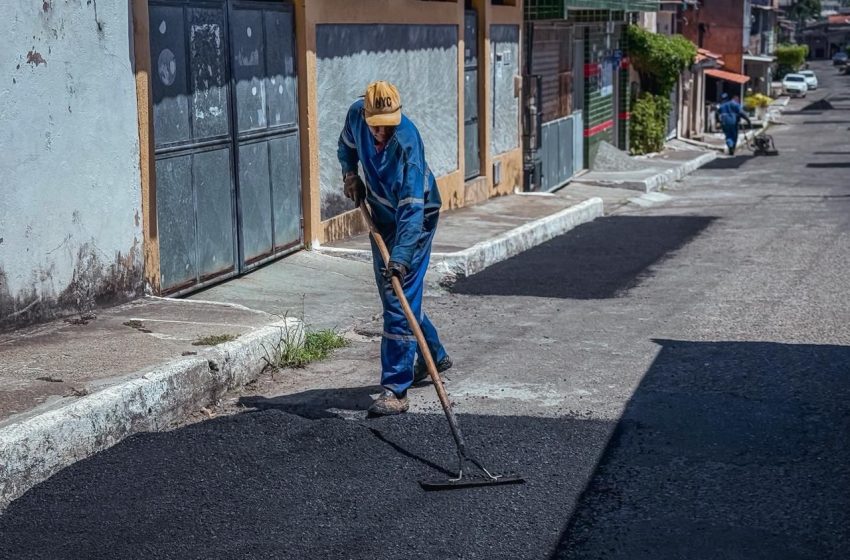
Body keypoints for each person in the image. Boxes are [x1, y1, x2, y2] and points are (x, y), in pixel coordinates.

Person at [337, 80, 452, 416]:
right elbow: (346, 148)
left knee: (396, 294)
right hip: (383, 215)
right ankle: (435, 354)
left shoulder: (407, 146)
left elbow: (413, 214)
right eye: (378, 127)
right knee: (399, 296)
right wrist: (350, 175)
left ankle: (396, 390)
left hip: (416, 220)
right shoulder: (357, 115)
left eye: (390, 126)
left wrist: (400, 258)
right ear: (367, 114)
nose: (383, 134)